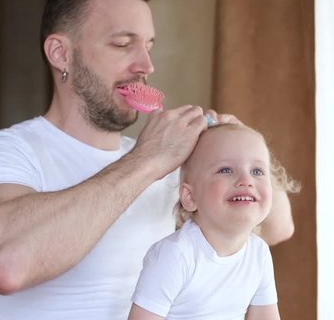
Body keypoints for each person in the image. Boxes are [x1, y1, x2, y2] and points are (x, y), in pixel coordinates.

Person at [0, 0, 295, 320]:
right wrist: (146, 161)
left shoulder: (168, 160)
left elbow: (278, 228)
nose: (146, 65)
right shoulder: (9, 150)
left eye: (148, 47)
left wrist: (245, 158)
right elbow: (6, 265)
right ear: (61, 53)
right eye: (123, 44)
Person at [127, 123, 301, 320]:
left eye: (257, 171)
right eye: (226, 170)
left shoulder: (258, 253)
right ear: (190, 197)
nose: (246, 180)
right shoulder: (175, 255)